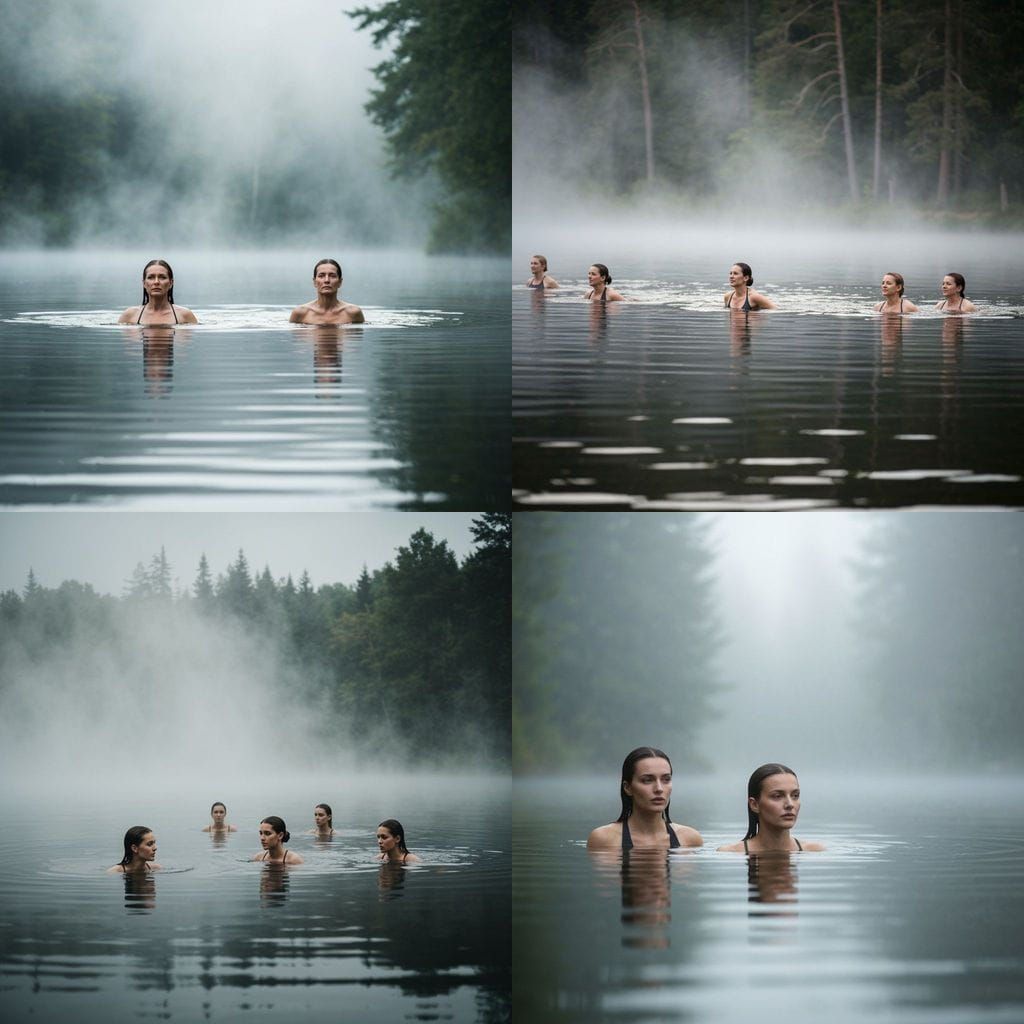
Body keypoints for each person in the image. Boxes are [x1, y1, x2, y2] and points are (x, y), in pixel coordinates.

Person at [586, 746, 703, 852]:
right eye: (647, 780)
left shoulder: (689, 839)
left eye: (666, 779)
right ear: (627, 788)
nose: (659, 789)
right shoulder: (604, 839)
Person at [717, 763, 825, 853]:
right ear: (754, 804)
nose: (790, 804)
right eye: (777, 796)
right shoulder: (731, 853)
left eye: (795, 795)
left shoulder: (815, 851)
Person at [118, 259, 199, 325]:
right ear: (144, 283)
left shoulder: (185, 316)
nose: (156, 282)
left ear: (171, 283)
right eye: (151, 277)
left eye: (162, 277)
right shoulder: (129, 316)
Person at [289, 258, 365, 325]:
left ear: (340, 282)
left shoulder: (353, 313)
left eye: (332, 276)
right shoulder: (301, 313)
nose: (327, 280)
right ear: (314, 282)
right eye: (321, 276)